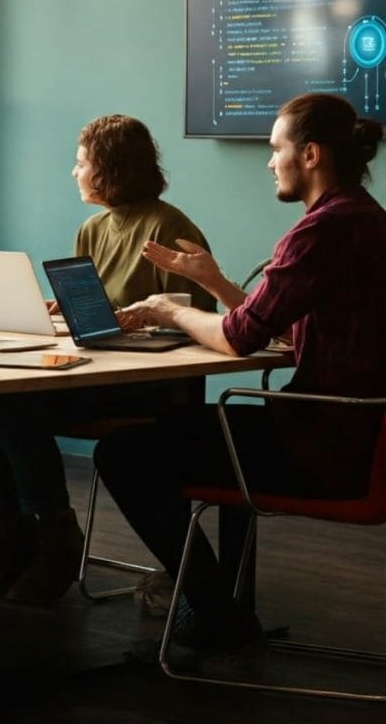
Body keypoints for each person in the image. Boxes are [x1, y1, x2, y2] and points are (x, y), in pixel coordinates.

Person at [95, 93, 386, 652]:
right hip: (355, 441)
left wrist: (170, 309)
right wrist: (214, 283)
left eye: (276, 149)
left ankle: (212, 605)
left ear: (311, 155)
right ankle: (216, 604)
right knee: (177, 434)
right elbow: (279, 330)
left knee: (125, 454)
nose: (269, 161)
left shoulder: (319, 231)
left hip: (319, 447)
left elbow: (237, 337)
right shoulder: (365, 220)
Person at [0, 115, 215, 604]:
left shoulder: (169, 226)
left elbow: (203, 320)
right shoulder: (92, 229)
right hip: (92, 371)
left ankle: (56, 539)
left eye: (81, 163)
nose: (74, 173)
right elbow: (94, 312)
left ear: (108, 168)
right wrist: (64, 310)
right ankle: (12, 535)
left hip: (146, 381)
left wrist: (140, 319)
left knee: (13, 405)